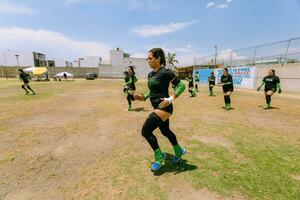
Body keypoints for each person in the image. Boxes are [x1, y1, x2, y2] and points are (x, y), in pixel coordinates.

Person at [135, 48, 186, 172]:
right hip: (156, 107)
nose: (148, 61)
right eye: (147, 59)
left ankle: (160, 157)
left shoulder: (166, 72)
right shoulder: (151, 74)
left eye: (151, 58)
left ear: (158, 59)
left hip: (164, 108)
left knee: (146, 131)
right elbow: (151, 91)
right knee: (165, 131)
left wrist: (171, 98)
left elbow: (181, 85)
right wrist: (142, 97)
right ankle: (179, 151)